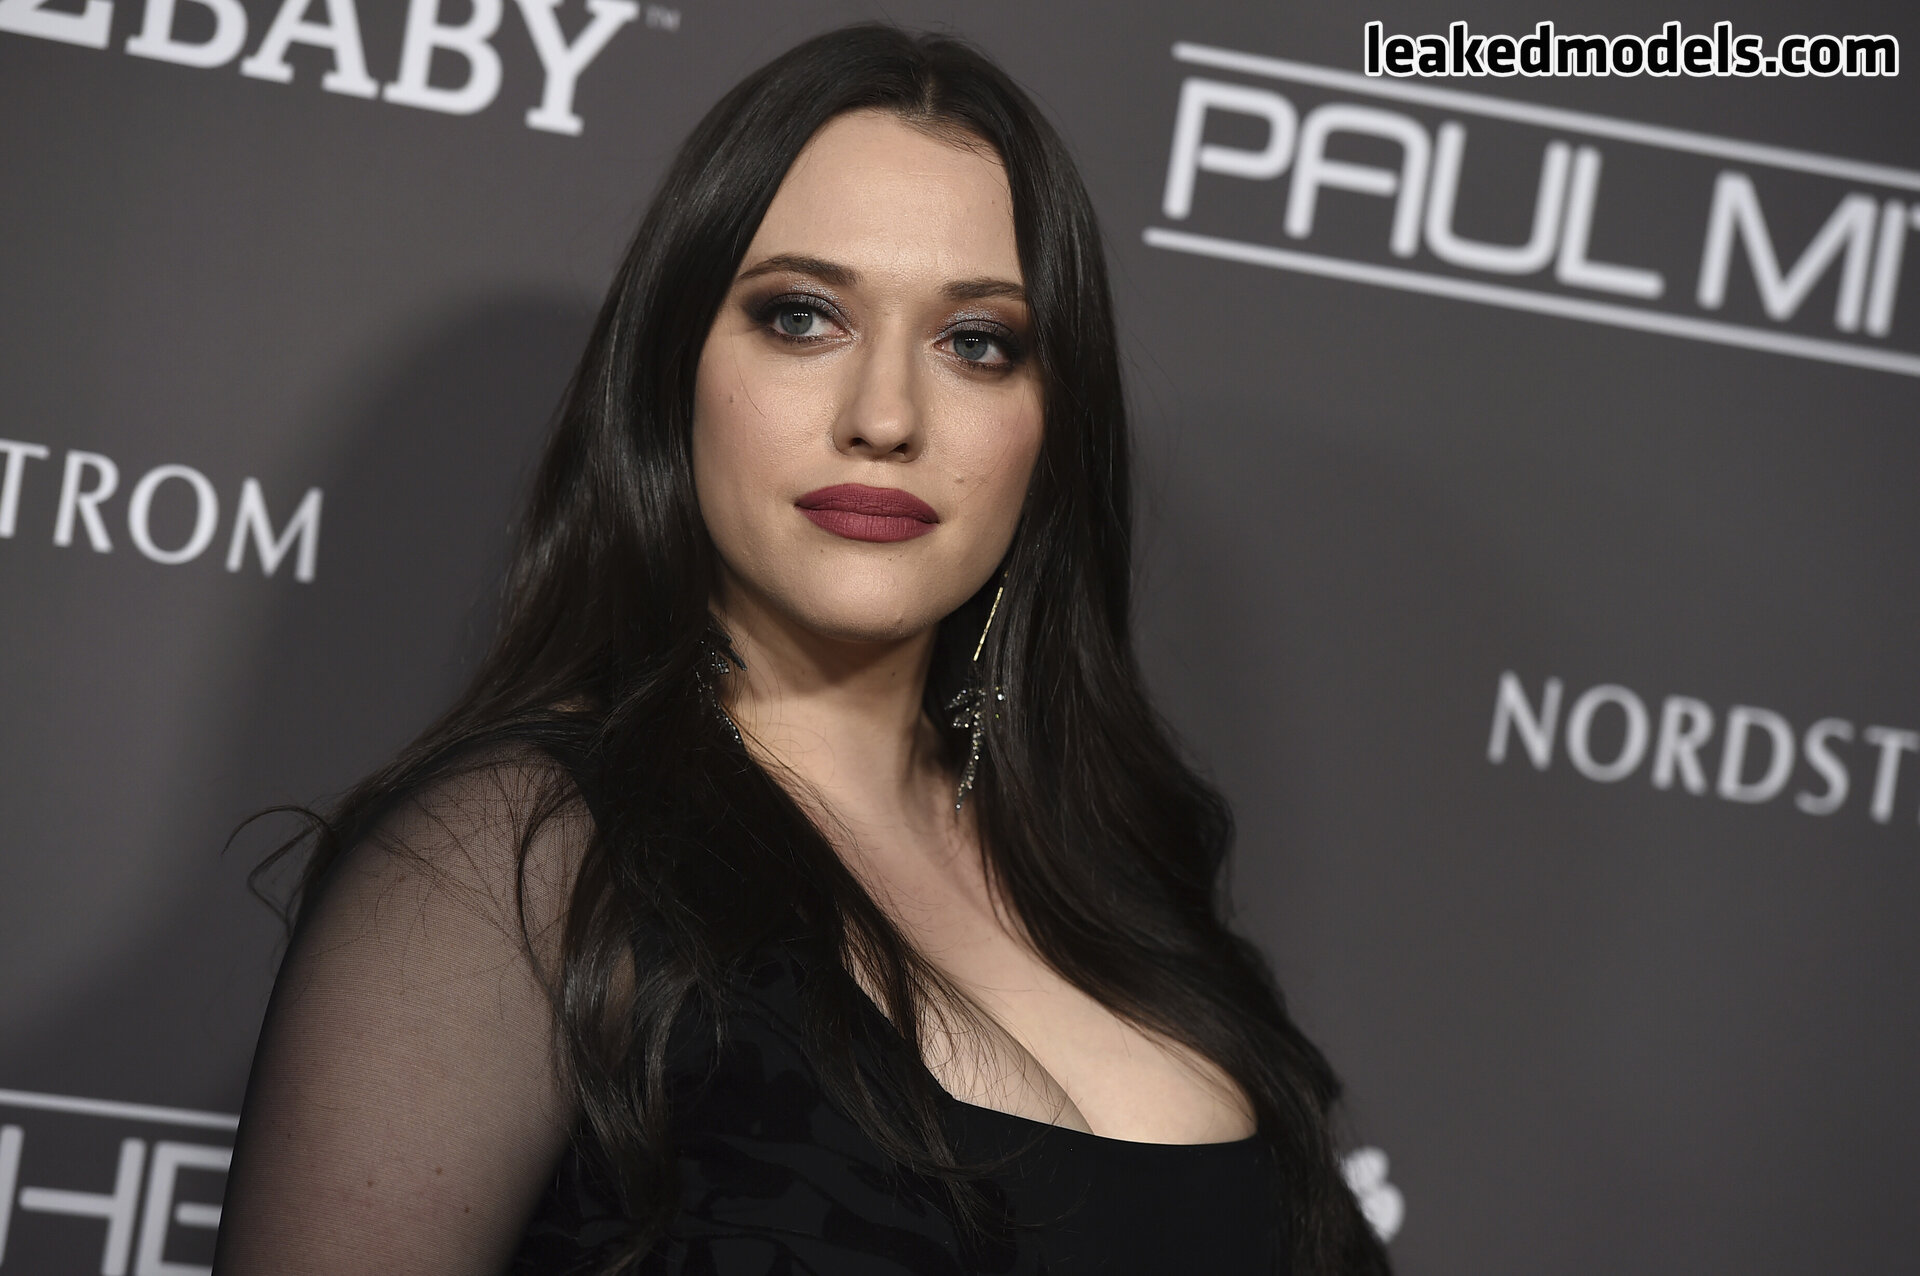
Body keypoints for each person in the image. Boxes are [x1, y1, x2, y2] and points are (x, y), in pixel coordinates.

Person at [211, 22, 1392, 1276]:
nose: (885, 416)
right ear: (673, 370)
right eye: (802, 316)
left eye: (976, 341)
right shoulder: (519, 863)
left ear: (1053, 426)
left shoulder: (1121, 868)